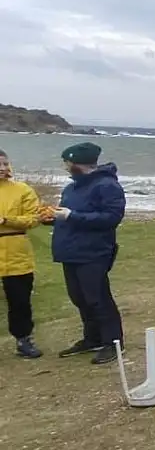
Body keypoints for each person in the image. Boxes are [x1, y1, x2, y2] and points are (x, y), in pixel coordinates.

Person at [49, 142, 127, 365]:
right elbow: (68, 216)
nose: (65, 167)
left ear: (77, 163)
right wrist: (51, 218)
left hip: (94, 252)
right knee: (79, 298)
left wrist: (72, 216)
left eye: (67, 162)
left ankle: (113, 343)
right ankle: (92, 338)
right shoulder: (72, 188)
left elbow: (111, 217)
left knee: (98, 298)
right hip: (71, 251)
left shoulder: (106, 185)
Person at [0, 149, 44, 359]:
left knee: (19, 301)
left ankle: (23, 340)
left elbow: (34, 218)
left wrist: (6, 220)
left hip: (16, 251)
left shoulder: (22, 190)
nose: (3, 168)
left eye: (5, 164)